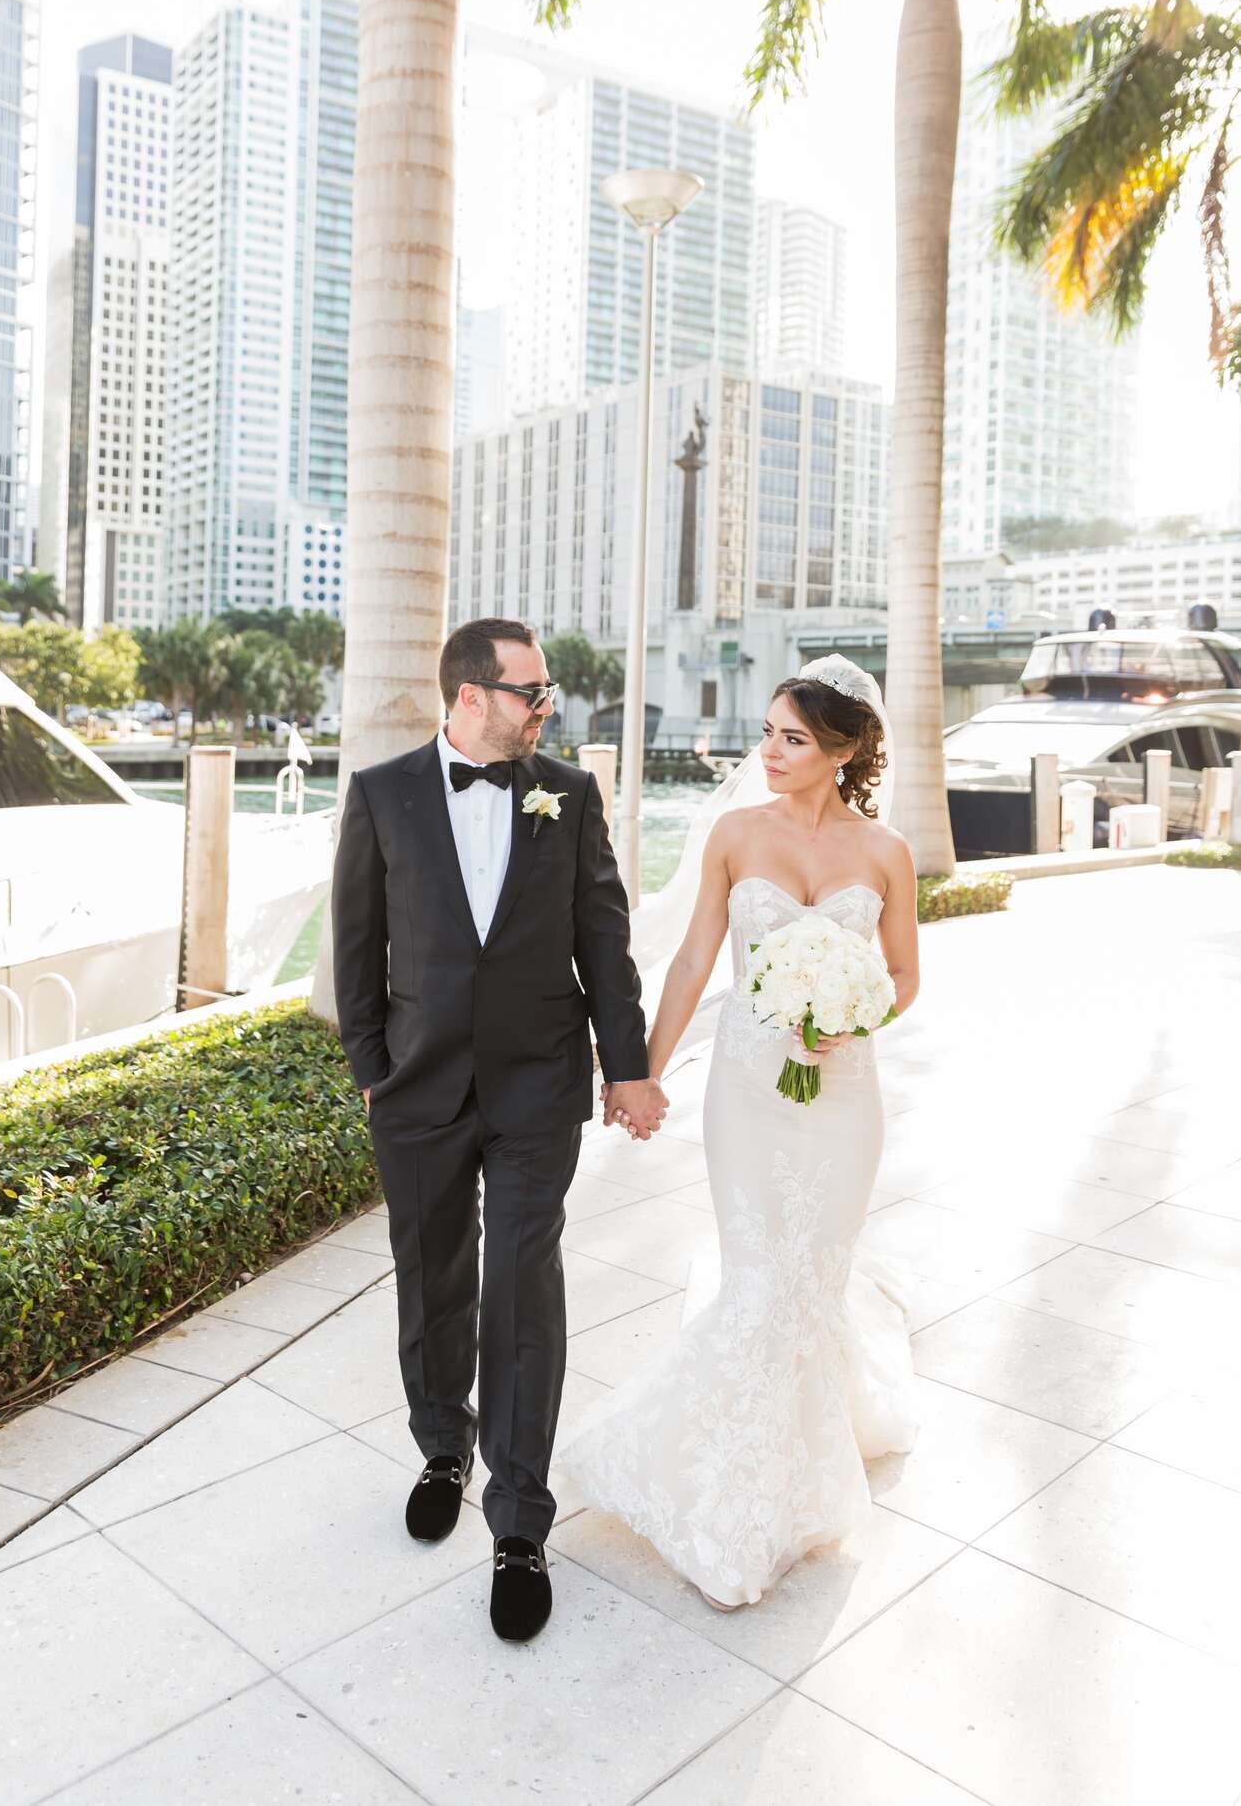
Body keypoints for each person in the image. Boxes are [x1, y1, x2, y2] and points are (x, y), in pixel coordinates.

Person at [561, 655, 922, 1610]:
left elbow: (903, 977)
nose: (768, 751)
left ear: (842, 751)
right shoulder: (732, 834)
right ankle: (738, 1501)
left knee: (814, 1278)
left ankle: (802, 1462)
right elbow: (688, 964)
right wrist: (636, 1070)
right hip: (748, 1092)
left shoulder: (885, 852)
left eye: (792, 739)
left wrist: (855, 1017)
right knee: (763, 1281)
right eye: (767, 732)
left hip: (844, 1096)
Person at [331, 618, 665, 1642]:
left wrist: (631, 1066)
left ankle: (519, 1521)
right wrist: (374, 1073)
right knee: (432, 1281)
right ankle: (443, 1445)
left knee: (521, 1291)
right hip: (420, 1092)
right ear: (471, 698)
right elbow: (357, 947)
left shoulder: (569, 794)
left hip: (535, 1089)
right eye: (530, 692)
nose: (544, 708)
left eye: (544, 693)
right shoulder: (381, 794)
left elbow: (603, 937)